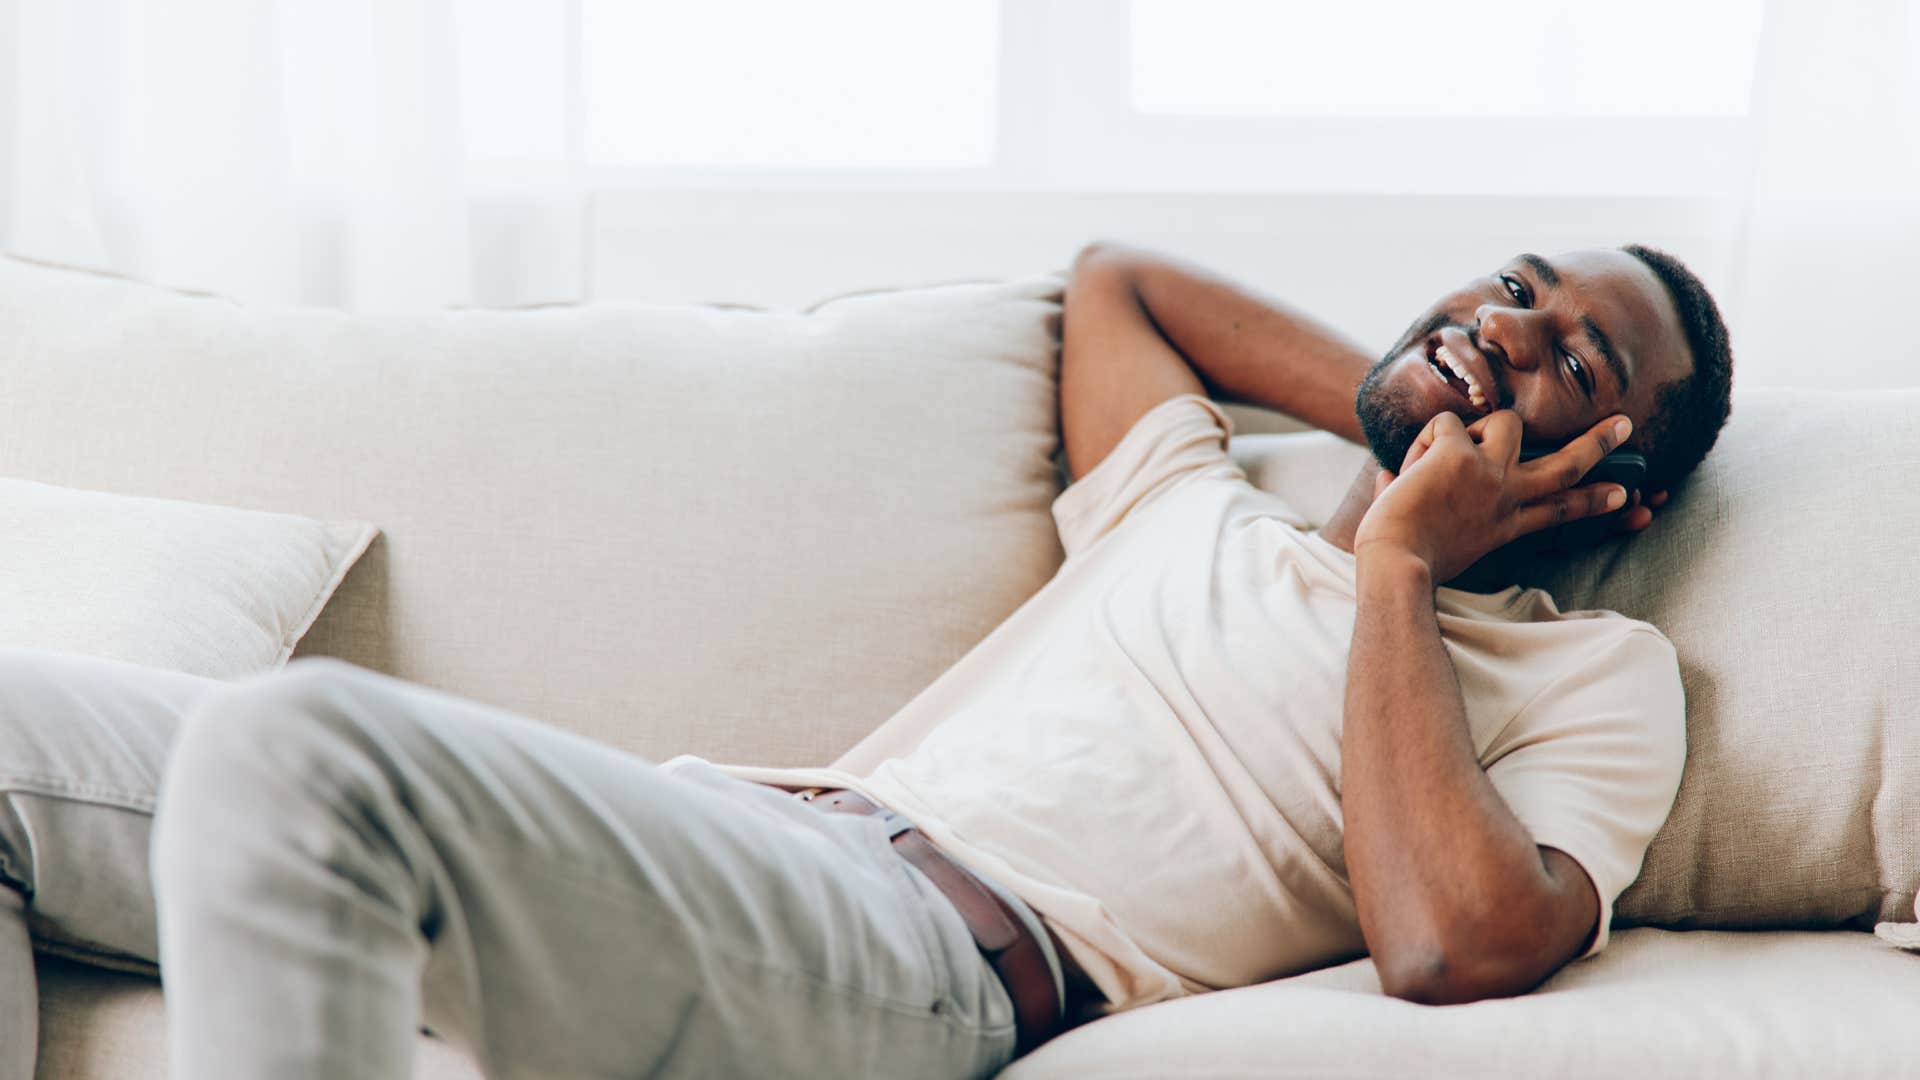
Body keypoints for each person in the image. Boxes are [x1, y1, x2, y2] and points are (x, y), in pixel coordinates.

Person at [0, 240, 1733, 1080]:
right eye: (1508, 288)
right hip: (735, 830)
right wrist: (1426, 380)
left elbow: (1447, 943)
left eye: (1574, 364)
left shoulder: (1597, 683)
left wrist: (1399, 569)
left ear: (1622, 484)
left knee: (300, 755)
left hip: (927, 949)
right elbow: (1121, 283)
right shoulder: (1192, 511)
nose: (1510, 326)